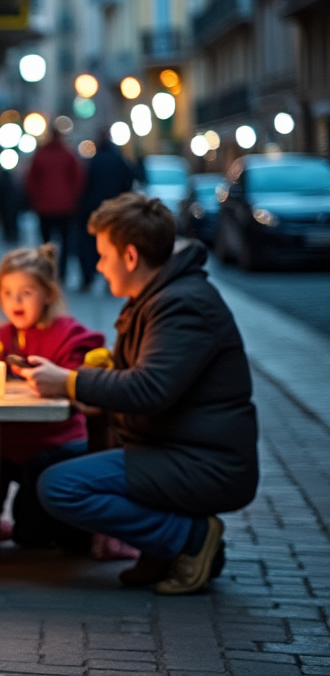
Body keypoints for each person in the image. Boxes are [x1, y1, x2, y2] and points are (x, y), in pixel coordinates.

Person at [20, 193, 259, 595]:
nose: (97, 265)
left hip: (205, 463)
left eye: (102, 255)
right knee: (55, 463)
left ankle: (190, 538)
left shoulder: (181, 305)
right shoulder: (158, 297)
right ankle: (166, 549)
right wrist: (102, 373)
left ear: (129, 257)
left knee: (60, 486)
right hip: (174, 449)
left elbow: (150, 388)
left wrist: (70, 381)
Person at [0, 244, 104, 551]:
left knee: (30, 534)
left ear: (47, 294)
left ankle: (74, 530)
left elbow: (79, 378)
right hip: (9, 444)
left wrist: (63, 377)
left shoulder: (67, 334)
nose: (15, 301)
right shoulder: (1, 337)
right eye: (7, 293)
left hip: (57, 443)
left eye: (26, 292)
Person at [75, 131, 140, 291]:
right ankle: (110, 277)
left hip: (93, 207)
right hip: (115, 207)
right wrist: (123, 194)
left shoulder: (94, 161)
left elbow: (84, 183)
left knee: (89, 242)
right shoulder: (118, 159)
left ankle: (88, 276)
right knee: (114, 242)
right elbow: (130, 177)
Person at [24, 129, 84, 283]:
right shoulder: (68, 155)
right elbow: (78, 180)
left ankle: (47, 272)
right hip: (65, 207)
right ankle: (62, 273)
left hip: (44, 208)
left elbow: (30, 181)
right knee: (64, 242)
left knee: (45, 243)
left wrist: (36, 200)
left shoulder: (40, 155)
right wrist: (72, 199)